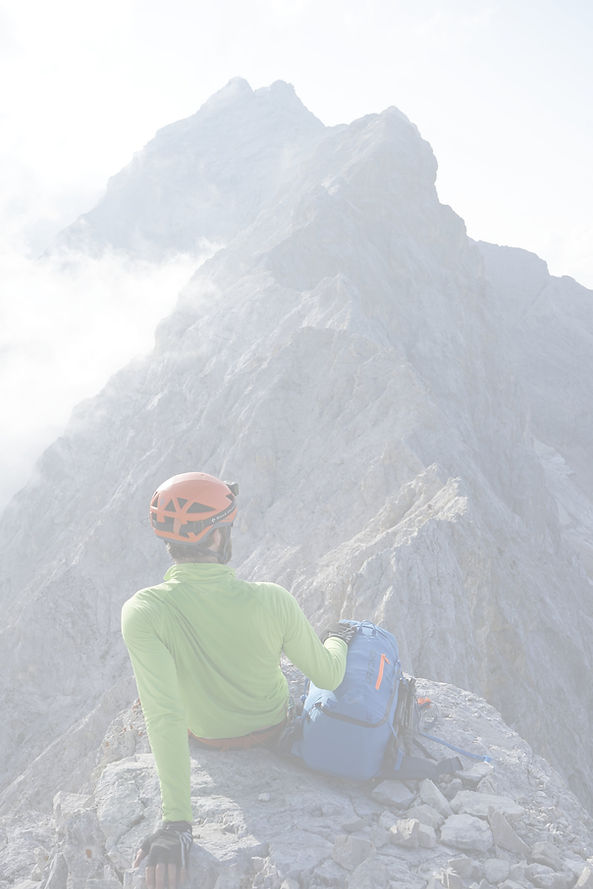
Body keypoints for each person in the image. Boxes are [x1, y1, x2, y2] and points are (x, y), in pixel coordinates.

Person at [121, 472, 353, 889]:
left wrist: (177, 823)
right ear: (216, 538)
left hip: (204, 736)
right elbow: (329, 674)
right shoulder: (273, 599)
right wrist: (338, 639)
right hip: (271, 726)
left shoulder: (143, 610)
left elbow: (164, 714)